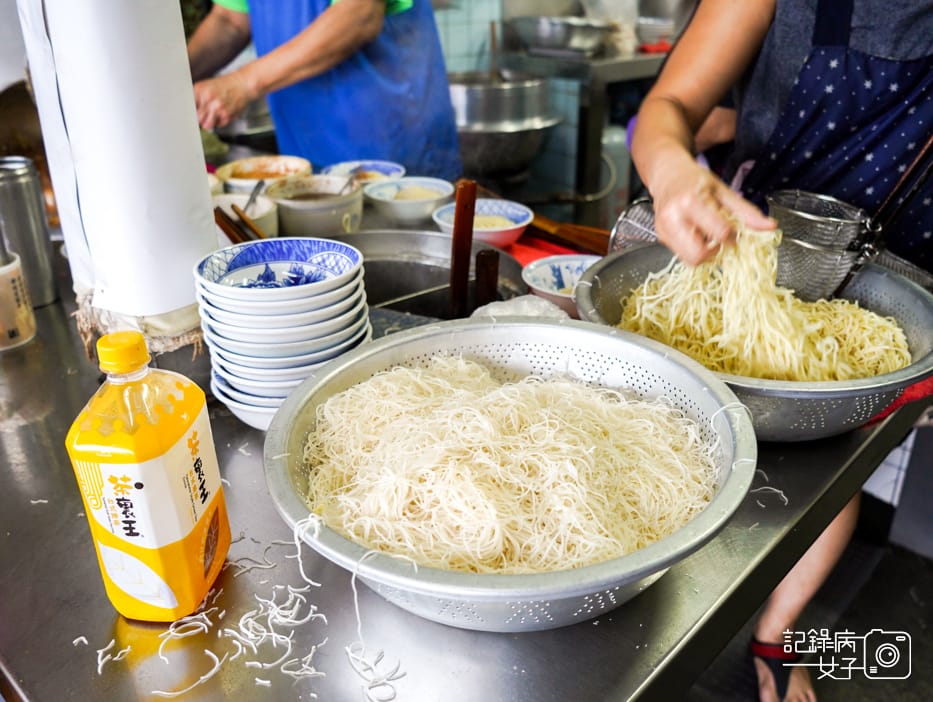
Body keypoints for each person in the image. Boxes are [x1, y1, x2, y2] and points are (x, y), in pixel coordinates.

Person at [630, 1, 932, 701]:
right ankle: (661, 611)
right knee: (691, 449)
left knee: (837, 474)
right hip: (752, 265)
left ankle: (778, 635)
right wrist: (672, 170)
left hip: (897, 310)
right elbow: (667, 109)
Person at [186, 0, 462, 181]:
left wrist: (243, 82)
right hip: (303, 146)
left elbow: (360, 13)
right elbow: (230, 20)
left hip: (389, 144)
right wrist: (174, 77)